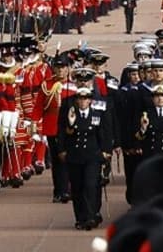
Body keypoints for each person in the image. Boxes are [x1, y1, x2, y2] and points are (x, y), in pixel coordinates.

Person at [59, 85, 113, 230]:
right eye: (80, 98)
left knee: (91, 185)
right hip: (75, 156)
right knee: (77, 188)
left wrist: (106, 151)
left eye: (86, 98)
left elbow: (103, 133)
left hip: (92, 155)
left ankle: (90, 216)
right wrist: (62, 150)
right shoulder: (71, 114)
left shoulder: (96, 115)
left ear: (90, 100)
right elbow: (64, 133)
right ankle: (80, 218)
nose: (83, 101)